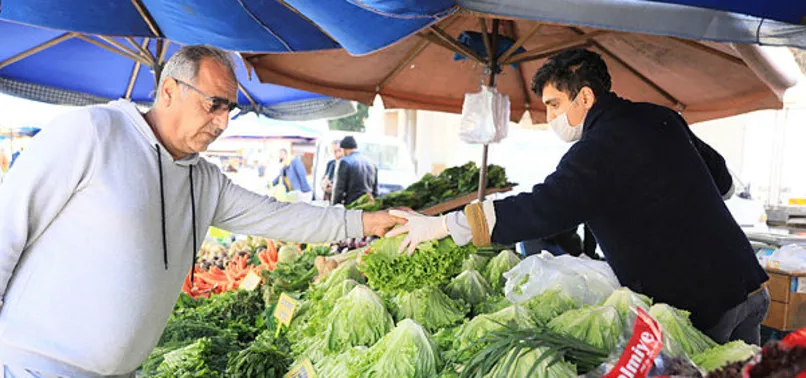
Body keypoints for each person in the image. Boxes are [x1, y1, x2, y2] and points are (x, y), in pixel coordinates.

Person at [0, 45, 402, 377]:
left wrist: (365, 222)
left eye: (230, 109)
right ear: (169, 91)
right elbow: (7, 229)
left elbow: (280, 216)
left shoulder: (203, 181)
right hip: (32, 367)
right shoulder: (92, 133)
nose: (223, 121)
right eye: (214, 104)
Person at [389, 49, 769, 346]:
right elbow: (721, 179)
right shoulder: (660, 117)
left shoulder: (599, 148)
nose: (550, 115)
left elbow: (542, 209)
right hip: (747, 283)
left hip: (701, 308)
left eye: (554, 104)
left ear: (585, 97)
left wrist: (442, 224)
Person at [332, 136, 378, 205]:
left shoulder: (344, 162)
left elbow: (339, 190)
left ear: (344, 149)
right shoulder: (371, 162)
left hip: (352, 206)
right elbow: (376, 190)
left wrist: (334, 206)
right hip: (368, 205)